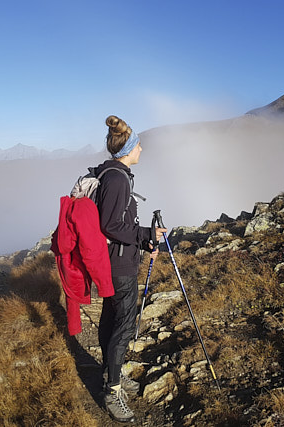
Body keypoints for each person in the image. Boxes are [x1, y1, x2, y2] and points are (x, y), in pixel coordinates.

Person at [94, 115, 165, 423]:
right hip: (118, 264)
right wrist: (147, 235)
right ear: (130, 148)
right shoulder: (117, 179)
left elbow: (117, 223)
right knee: (122, 324)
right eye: (139, 144)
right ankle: (112, 391)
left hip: (114, 259)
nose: (142, 149)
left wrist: (142, 239)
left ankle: (111, 374)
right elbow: (110, 225)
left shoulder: (112, 174)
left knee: (111, 318)